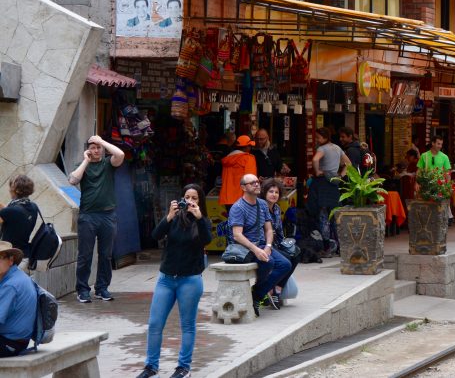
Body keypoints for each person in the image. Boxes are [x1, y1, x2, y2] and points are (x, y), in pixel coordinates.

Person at [137, 184, 212, 378]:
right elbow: (155, 235)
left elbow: (206, 240)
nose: (190, 201)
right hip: (166, 279)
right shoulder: (174, 219)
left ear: (199, 201)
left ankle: (183, 367)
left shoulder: (203, 221)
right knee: (154, 324)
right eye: (187, 197)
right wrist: (169, 216)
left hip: (190, 280)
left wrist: (198, 217)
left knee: (187, 325)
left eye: (194, 198)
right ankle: (151, 367)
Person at [68, 135, 124, 304]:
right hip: (88, 216)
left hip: (108, 215)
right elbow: (72, 180)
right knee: (85, 255)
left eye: (98, 147)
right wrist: (85, 160)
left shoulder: (108, 164)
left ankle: (102, 288)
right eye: (92, 147)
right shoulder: (82, 166)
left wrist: (101, 140)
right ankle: (83, 290)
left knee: (106, 255)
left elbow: (120, 154)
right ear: (88, 150)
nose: (96, 150)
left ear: (103, 149)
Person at [228, 174, 291, 314]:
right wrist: (256, 250)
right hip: (246, 247)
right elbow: (237, 235)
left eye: (257, 182)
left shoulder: (262, 204)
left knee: (286, 264)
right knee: (269, 262)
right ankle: (258, 297)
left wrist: (268, 246)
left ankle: (256, 294)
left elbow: (268, 229)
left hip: (263, 244)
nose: (257, 184)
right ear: (243, 187)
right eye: (252, 183)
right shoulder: (238, 207)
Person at [261, 178, 298, 309]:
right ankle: (270, 290)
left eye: (276, 192)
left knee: (295, 254)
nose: (274, 194)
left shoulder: (276, 209)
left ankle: (278, 287)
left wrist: (285, 244)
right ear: (264, 193)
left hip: (276, 243)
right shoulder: (261, 208)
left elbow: (280, 230)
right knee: (286, 259)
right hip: (264, 245)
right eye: (271, 191)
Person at [0, 240, 35, 357]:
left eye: (0, 258)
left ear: (10, 260)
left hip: (9, 344)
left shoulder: (10, 286)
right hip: (19, 341)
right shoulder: (17, 275)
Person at [418, 136, 453, 224]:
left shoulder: (444, 157)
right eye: (438, 143)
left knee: (439, 207)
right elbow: (419, 170)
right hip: (426, 185)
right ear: (433, 143)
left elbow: (447, 173)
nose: (440, 146)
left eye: (441, 144)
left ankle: (439, 223)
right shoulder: (424, 156)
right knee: (426, 206)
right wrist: (417, 182)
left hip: (439, 186)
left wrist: (447, 186)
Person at [0, 175, 39, 254]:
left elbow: (8, 213)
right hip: (24, 251)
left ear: (16, 190)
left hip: (9, 255)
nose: (9, 190)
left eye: (10, 187)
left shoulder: (11, 211)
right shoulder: (33, 206)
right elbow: (11, 214)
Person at [219, 135, 257, 208]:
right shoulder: (248, 158)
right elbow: (251, 179)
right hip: (243, 199)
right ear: (246, 147)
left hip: (228, 199)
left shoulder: (227, 159)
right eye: (249, 146)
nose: (250, 148)